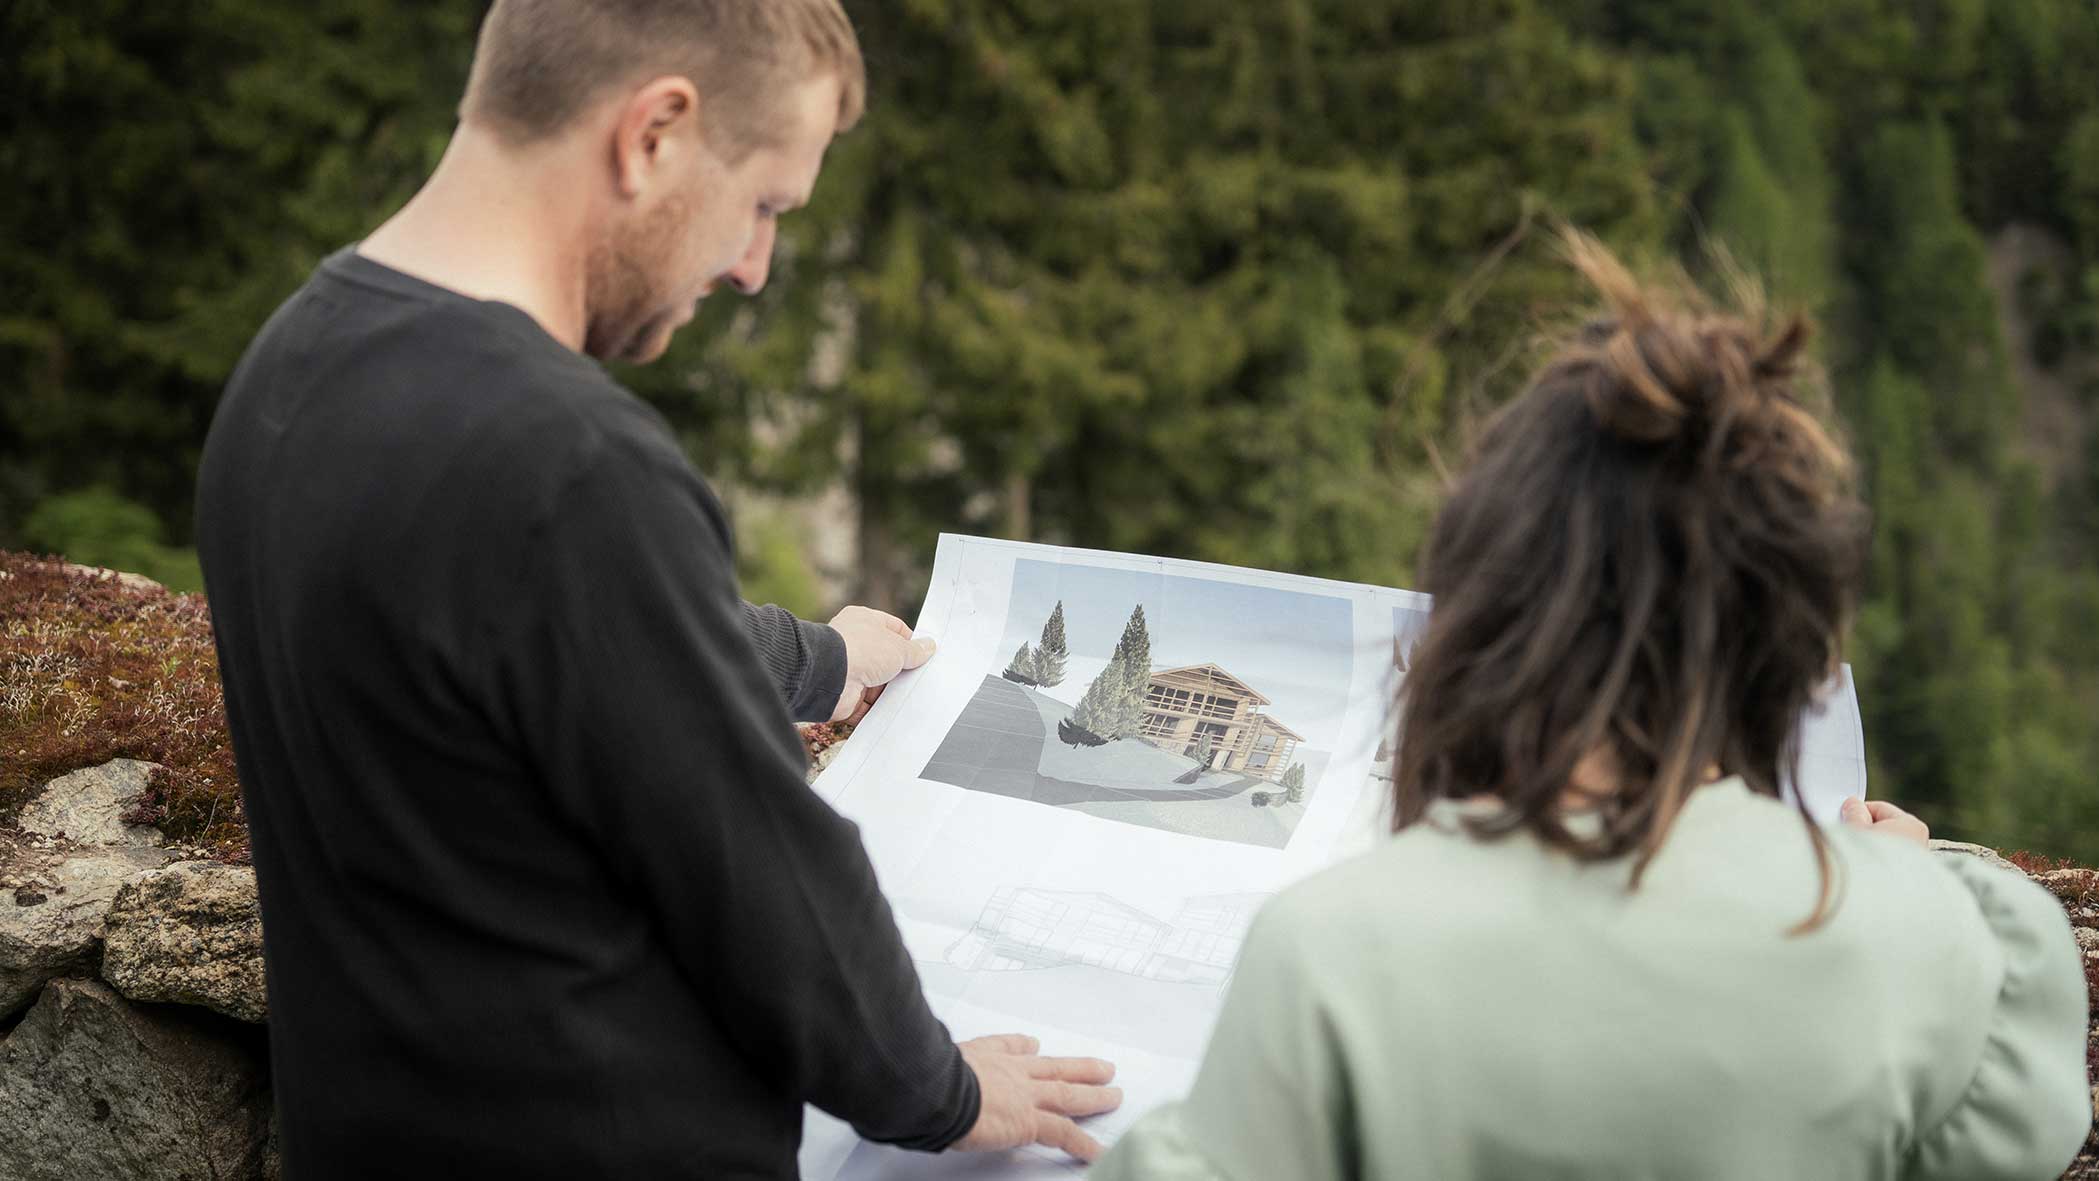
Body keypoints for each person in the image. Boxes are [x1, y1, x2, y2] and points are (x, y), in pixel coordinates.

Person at [193, 2, 1119, 1176]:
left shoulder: (292, 366)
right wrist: (942, 1089)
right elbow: (771, 886)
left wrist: (822, 661)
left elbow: (540, 644)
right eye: (766, 204)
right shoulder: (566, 466)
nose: (752, 267)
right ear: (656, 133)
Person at [1092, 233, 2091, 1180]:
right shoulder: (1919, 938)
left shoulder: (1328, 951)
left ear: (1482, 606)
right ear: (1782, 635)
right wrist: (1900, 888)